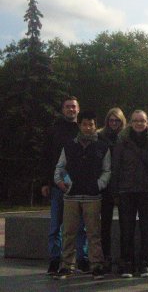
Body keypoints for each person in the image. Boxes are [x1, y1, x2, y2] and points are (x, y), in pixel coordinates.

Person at [53, 111, 111, 280]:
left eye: (91, 124)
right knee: (68, 232)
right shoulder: (69, 145)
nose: (88, 127)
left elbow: (107, 170)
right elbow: (60, 167)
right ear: (80, 125)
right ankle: (66, 266)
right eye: (85, 124)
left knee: (93, 233)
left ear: (95, 125)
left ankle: (96, 265)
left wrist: (98, 185)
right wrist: (60, 181)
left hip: (93, 197)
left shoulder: (103, 146)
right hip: (71, 196)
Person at [40, 96, 88, 275]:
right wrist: (45, 181)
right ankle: (54, 260)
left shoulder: (84, 129)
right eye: (68, 107)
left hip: (80, 186)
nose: (71, 110)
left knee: (82, 225)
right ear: (63, 110)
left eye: (74, 107)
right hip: (57, 185)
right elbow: (46, 158)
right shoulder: (53, 130)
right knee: (56, 225)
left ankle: (83, 259)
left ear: (78, 109)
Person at [112, 110, 148, 278]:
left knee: (146, 228)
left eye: (142, 121)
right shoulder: (122, 140)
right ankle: (127, 263)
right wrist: (115, 190)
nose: (139, 123)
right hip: (126, 190)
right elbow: (116, 166)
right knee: (126, 228)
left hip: (147, 190)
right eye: (135, 120)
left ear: (147, 123)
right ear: (130, 122)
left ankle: (145, 263)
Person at [97, 107, 127, 273]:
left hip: (123, 186)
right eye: (111, 120)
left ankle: (124, 258)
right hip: (106, 186)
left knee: (125, 225)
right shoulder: (100, 136)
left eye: (117, 120)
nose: (114, 123)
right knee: (105, 225)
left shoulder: (126, 138)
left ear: (122, 121)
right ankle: (105, 257)